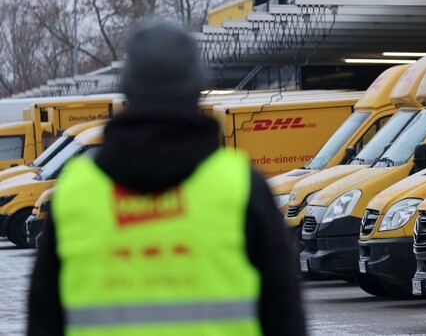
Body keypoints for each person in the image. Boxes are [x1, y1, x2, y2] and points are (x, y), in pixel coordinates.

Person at [27, 21, 306, 336]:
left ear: (128, 89)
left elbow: (43, 322)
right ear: (197, 87)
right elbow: (284, 317)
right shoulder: (240, 187)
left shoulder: (76, 193)